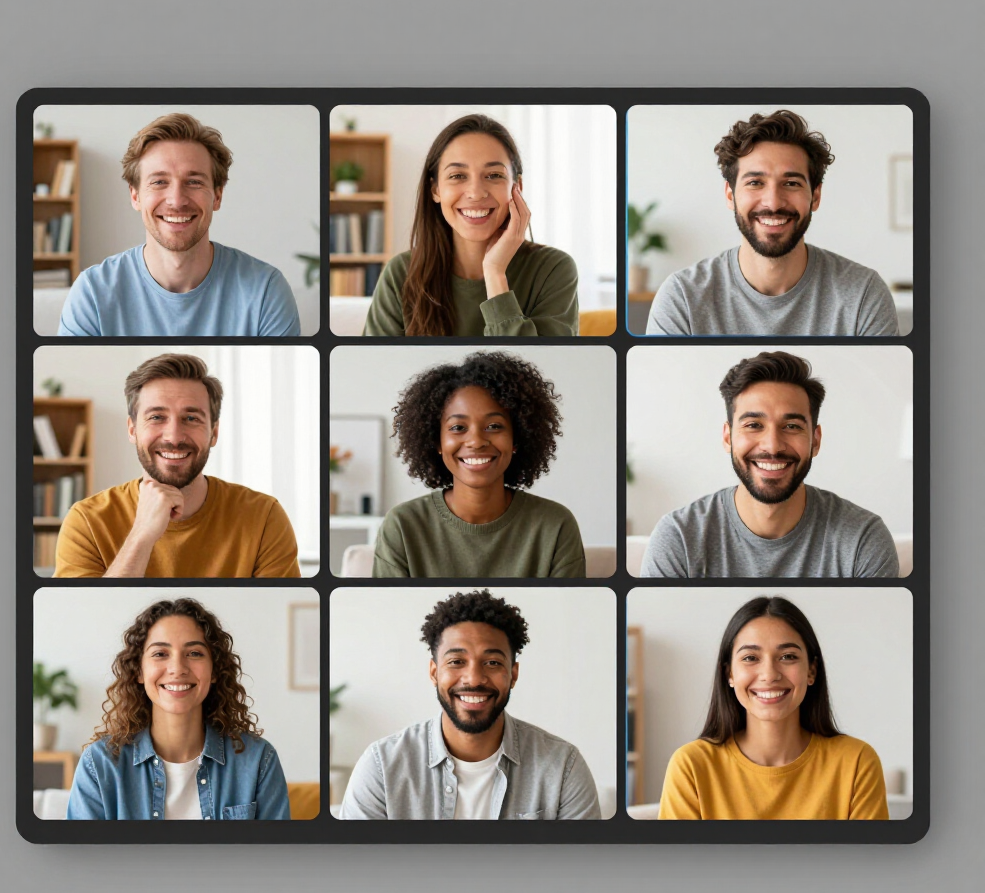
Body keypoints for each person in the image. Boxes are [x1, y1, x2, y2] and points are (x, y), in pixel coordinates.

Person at [339, 589, 601, 820]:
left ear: (513, 674)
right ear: (434, 673)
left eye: (493, 663)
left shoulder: (562, 766)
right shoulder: (382, 766)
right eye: (456, 662)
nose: (474, 679)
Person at [641, 351, 899, 578]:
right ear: (728, 438)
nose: (773, 446)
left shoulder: (863, 538)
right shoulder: (679, 537)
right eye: (754, 425)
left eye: (792, 426)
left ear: (816, 440)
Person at [645, 110, 899, 336]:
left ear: (815, 197)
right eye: (755, 182)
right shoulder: (682, 297)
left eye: (791, 183)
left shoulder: (863, 294)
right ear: (730, 196)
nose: (774, 202)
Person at [54, 353, 301, 578]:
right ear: (132, 430)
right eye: (156, 417)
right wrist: (142, 534)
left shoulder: (264, 517)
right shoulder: (86, 521)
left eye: (191, 418)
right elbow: (94, 611)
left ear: (214, 433)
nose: (173, 437)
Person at [57, 113, 300, 337]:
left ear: (217, 196)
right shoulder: (92, 293)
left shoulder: (266, 290)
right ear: (135, 196)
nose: (176, 200)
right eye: (159, 182)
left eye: (194, 182)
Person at [658, 596, 889, 820]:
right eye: (750, 658)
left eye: (787, 656)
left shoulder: (856, 762)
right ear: (729, 673)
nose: (769, 675)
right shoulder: (692, 765)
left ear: (811, 671)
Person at [67, 598, 291, 820]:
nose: (177, 668)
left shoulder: (258, 760)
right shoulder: (100, 764)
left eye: (194, 653)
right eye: (160, 654)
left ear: (214, 671)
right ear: (139, 671)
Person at [372, 351, 585, 578]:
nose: (476, 441)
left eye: (494, 426)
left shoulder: (555, 525)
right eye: (458, 428)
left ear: (516, 438)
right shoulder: (403, 526)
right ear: (437, 442)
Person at [363, 113, 578, 337]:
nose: (475, 193)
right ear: (435, 190)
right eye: (457, 175)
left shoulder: (553, 270)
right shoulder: (401, 273)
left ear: (517, 187)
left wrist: (495, 274)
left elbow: (531, 360)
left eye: (493, 175)